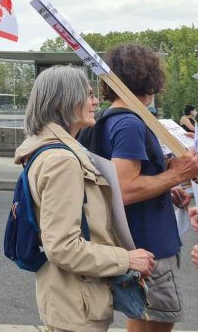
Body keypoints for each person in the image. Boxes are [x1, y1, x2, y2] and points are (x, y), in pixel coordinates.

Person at [16, 66, 155, 332]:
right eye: (88, 95)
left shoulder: (48, 151)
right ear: (64, 101)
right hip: (76, 305)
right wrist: (127, 259)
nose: (95, 101)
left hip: (69, 299)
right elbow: (63, 247)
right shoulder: (62, 161)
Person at [82, 44, 198, 332]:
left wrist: (163, 188)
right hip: (150, 247)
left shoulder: (111, 118)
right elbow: (125, 190)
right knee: (155, 322)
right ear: (151, 79)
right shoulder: (131, 124)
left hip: (136, 242)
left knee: (142, 318)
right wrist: (175, 176)